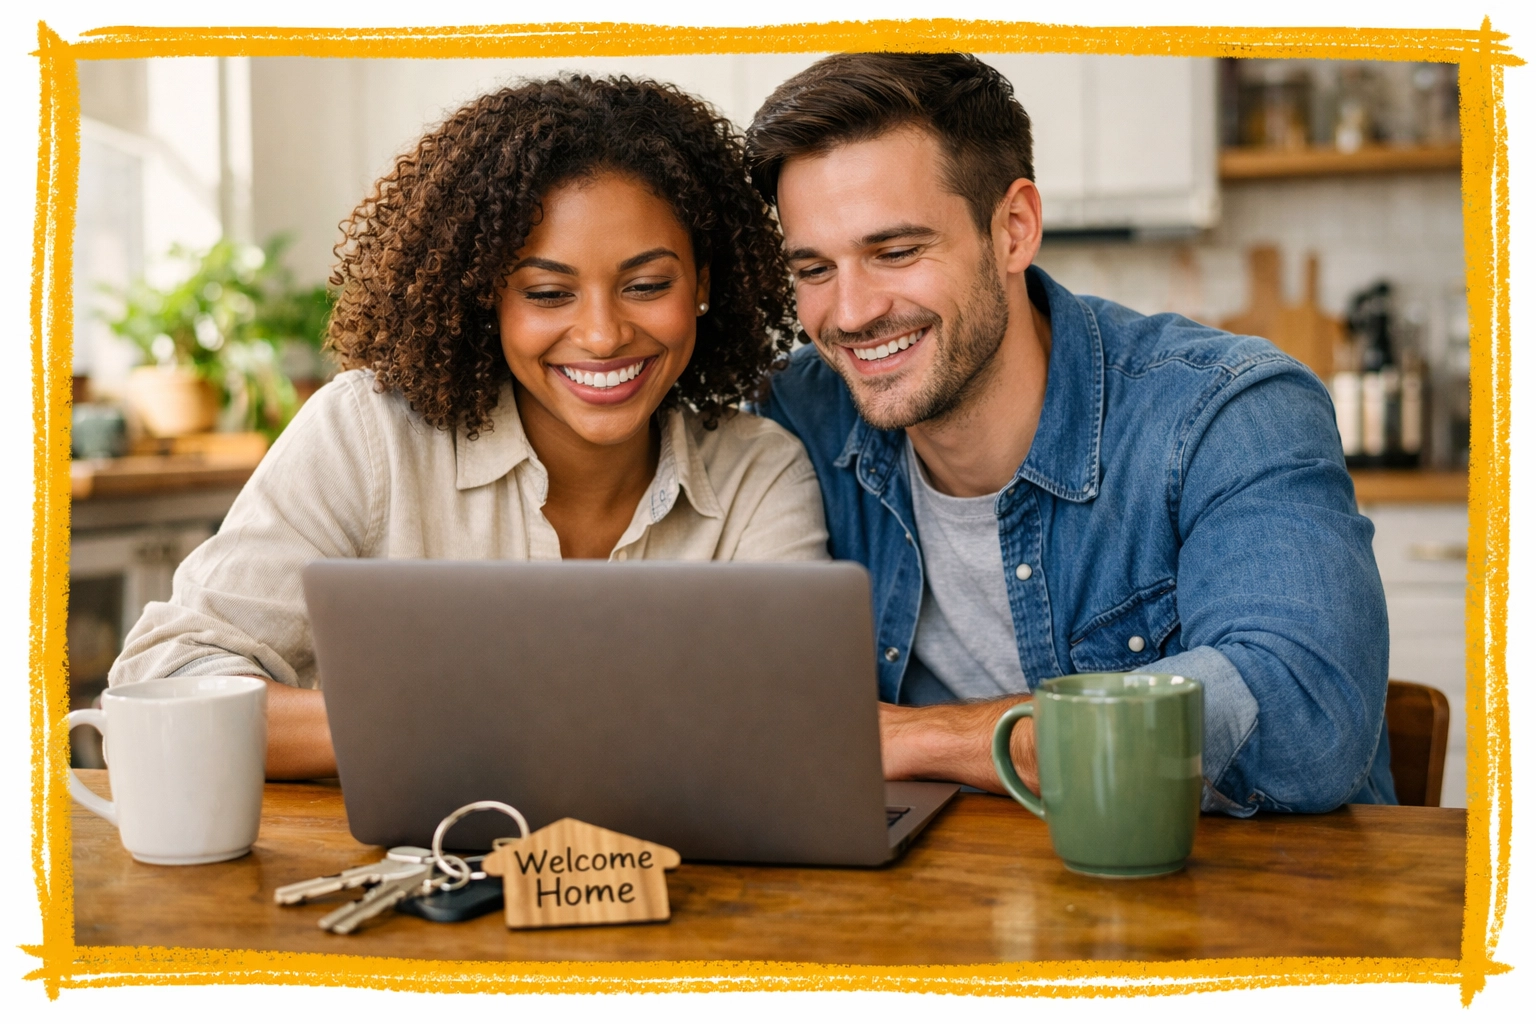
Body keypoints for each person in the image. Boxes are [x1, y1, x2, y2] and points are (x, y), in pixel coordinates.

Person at [110, 76, 829, 779]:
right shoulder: (368, 434)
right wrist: (453, 724)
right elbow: (164, 684)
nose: (604, 335)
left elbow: (800, 728)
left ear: (703, 283)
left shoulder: (757, 474)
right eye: (548, 293)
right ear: (486, 295)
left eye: (647, 286)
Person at [747, 52, 1396, 815]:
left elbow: (1302, 721)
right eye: (814, 269)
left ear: (1014, 230)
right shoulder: (799, 415)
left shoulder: (1228, 410)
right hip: (946, 912)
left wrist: (921, 739)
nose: (850, 314)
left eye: (895, 252)